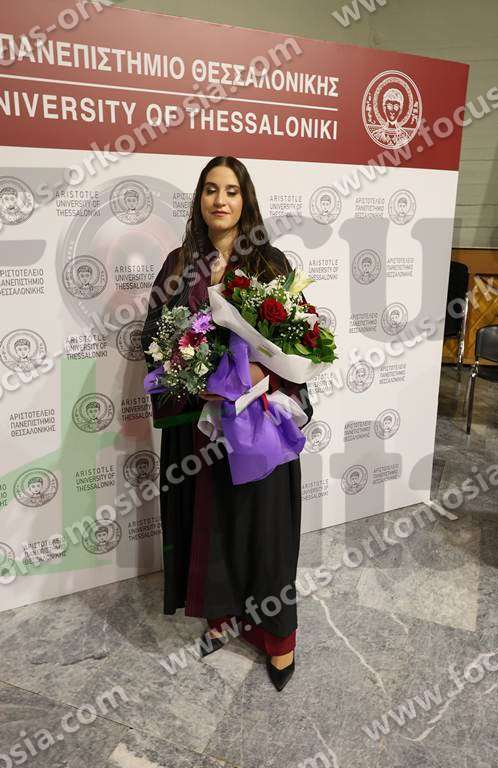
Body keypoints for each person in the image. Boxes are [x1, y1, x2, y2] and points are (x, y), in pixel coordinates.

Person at [140, 155, 313, 691]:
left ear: (246, 200)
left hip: (256, 420)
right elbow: (154, 336)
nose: (221, 200)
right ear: (200, 199)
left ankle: (278, 638)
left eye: (231, 191)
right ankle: (221, 618)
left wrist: (260, 372)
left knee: (265, 530)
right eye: (211, 190)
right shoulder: (178, 264)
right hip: (199, 424)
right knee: (209, 522)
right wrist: (189, 373)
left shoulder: (269, 263)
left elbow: (301, 337)